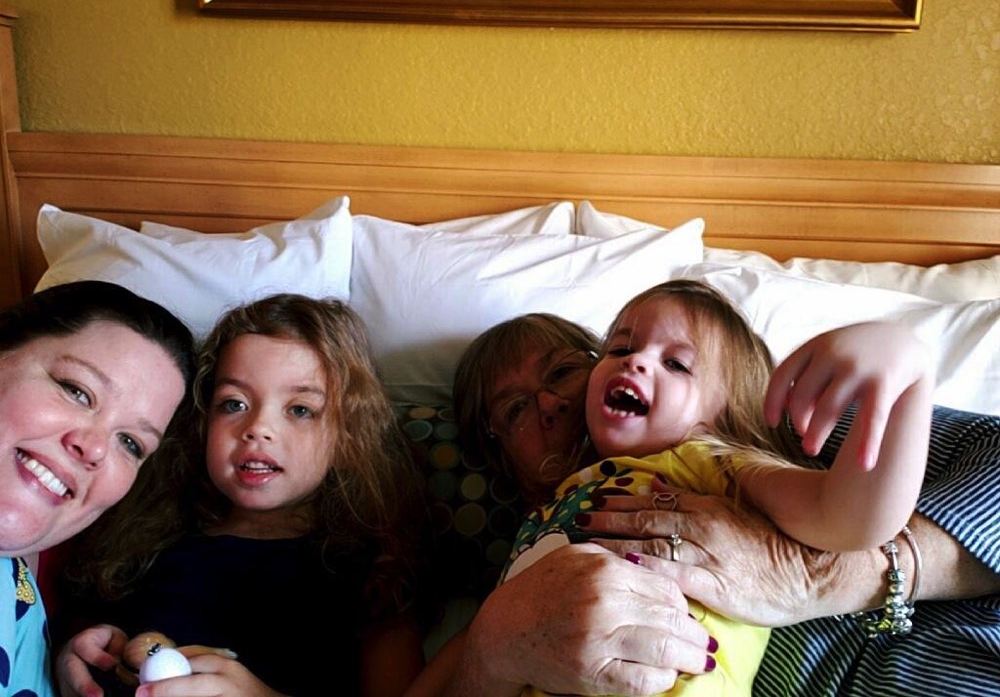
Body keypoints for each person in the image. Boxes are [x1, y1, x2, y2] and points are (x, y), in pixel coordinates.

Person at [442, 301, 1000, 696]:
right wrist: (493, 642)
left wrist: (904, 380)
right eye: (513, 409)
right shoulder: (537, 526)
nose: (546, 403)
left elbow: (851, 516)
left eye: (564, 371)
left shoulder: (711, 455)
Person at [54, 293, 432, 697]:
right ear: (202, 424)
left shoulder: (376, 574)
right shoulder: (143, 545)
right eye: (234, 404)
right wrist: (85, 656)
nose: (258, 428)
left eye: (300, 410)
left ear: (348, 437)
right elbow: (97, 649)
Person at [1, 280, 195, 697]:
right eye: (76, 391)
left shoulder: (27, 587)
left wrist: (45, 671)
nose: (93, 448)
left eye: (131, 443)